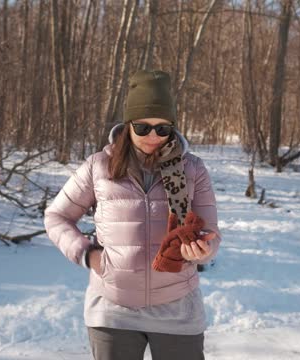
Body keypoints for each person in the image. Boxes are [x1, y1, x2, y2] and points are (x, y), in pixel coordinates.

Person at [44, 69, 221, 360]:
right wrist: (87, 255)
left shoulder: (193, 169)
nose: (153, 136)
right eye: (142, 127)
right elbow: (56, 217)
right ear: (128, 125)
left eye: (162, 129)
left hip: (177, 310)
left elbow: (211, 233)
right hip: (114, 312)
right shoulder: (98, 167)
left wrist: (202, 251)